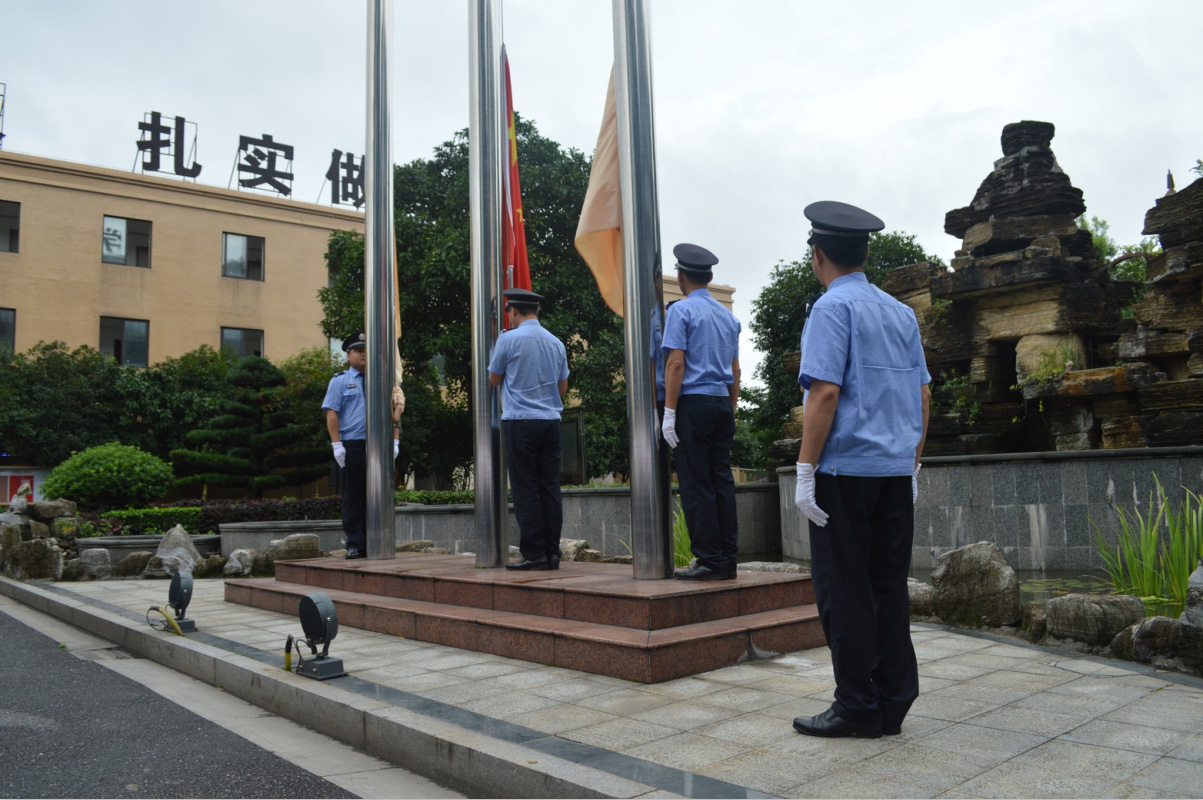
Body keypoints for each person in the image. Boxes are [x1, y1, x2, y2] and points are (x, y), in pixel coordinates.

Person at [791, 201, 931, 739]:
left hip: (844, 473)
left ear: (817, 254)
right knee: (887, 587)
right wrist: (912, 463)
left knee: (843, 588)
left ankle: (854, 705)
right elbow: (921, 394)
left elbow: (824, 392)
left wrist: (806, 471)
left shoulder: (831, 309)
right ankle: (891, 701)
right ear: (865, 253)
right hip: (894, 473)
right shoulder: (901, 313)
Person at [660, 243, 741, 581]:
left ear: (681, 277)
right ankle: (727, 558)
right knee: (722, 481)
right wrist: (731, 410)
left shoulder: (681, 311)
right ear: (709, 277)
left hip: (693, 403)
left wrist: (669, 411)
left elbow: (676, 363)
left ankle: (709, 559)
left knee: (696, 484)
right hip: (722, 402)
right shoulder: (728, 317)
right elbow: (736, 372)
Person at [488, 288, 570, 571]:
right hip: (551, 421)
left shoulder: (508, 339)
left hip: (520, 420)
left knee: (525, 489)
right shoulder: (556, 342)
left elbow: (494, 378)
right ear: (538, 311)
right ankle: (552, 553)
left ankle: (533, 554)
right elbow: (563, 387)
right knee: (549, 487)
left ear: (512, 312)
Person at [321, 332, 405, 560]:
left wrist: (395, 440)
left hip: (379, 443)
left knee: (376, 495)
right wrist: (336, 444)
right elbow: (332, 413)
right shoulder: (339, 381)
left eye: (367, 350)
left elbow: (395, 411)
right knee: (354, 496)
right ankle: (354, 543)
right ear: (348, 355)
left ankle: (374, 540)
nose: (364, 354)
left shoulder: (383, 380)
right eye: (358, 351)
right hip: (353, 445)